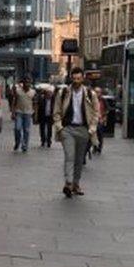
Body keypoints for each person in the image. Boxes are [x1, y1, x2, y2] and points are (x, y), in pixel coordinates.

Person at [53, 65, 99, 197]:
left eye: (79, 78)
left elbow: (96, 113)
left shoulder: (91, 94)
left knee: (79, 159)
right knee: (69, 156)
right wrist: (59, 127)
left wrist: (92, 129)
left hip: (84, 130)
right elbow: (56, 112)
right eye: (74, 79)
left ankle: (76, 183)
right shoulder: (63, 93)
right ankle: (68, 183)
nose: (76, 81)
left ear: (83, 78)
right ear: (71, 79)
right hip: (67, 129)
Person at [10, 76, 35, 152]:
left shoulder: (33, 92)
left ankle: (25, 145)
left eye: (28, 82)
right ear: (23, 83)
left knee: (26, 130)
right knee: (17, 128)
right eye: (25, 82)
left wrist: (35, 114)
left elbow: (35, 104)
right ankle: (17, 142)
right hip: (19, 112)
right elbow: (14, 102)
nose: (27, 84)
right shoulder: (18, 91)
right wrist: (13, 112)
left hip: (28, 113)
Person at [34, 83, 55, 148]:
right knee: (42, 129)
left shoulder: (53, 100)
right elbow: (37, 107)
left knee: (49, 129)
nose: (49, 95)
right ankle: (43, 140)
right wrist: (36, 116)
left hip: (50, 116)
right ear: (45, 94)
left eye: (50, 93)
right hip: (42, 116)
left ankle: (49, 141)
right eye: (48, 93)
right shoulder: (41, 99)